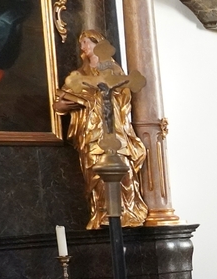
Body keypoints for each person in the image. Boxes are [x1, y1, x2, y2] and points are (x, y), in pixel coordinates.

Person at [53, 30, 147, 230]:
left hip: (113, 127)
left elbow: (124, 95)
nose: (83, 47)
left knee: (122, 166)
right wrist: (67, 104)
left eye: (86, 42)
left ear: (98, 44)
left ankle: (126, 210)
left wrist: (97, 97)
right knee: (95, 168)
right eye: (81, 43)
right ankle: (102, 212)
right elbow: (61, 101)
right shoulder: (81, 74)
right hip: (90, 130)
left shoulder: (113, 70)